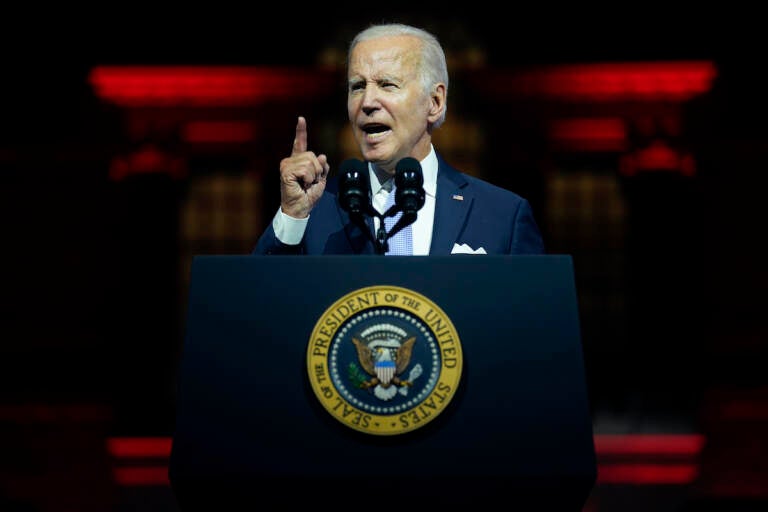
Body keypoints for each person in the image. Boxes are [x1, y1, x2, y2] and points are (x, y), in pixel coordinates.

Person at [253, 22, 545, 256]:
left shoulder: (502, 215)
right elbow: (262, 305)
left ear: (435, 102)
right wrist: (292, 215)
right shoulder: (314, 211)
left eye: (387, 84)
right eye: (357, 86)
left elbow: (530, 322)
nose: (367, 102)